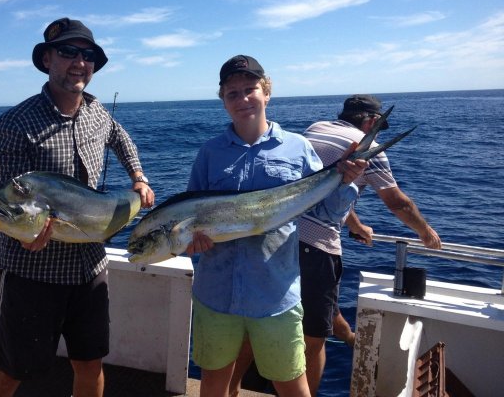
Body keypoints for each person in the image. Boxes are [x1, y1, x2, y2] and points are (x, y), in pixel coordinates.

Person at [0, 18, 155, 397]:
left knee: (90, 364)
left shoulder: (97, 113)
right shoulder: (13, 125)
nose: (79, 62)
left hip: (90, 266)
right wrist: (27, 238)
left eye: (88, 55)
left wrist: (138, 177)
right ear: (47, 59)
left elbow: (121, 140)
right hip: (32, 272)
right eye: (68, 52)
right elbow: (10, 205)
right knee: (11, 371)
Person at [229, 94, 443, 397]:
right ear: (370, 122)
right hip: (314, 247)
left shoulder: (316, 129)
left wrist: (354, 225)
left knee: (261, 321)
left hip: (277, 238)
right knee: (314, 339)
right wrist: (426, 232)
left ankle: (233, 389)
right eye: (380, 126)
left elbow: (327, 183)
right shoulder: (365, 148)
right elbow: (397, 202)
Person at [186, 55, 368, 397]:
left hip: (275, 296)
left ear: (266, 92)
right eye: (232, 93)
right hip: (215, 293)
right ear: (223, 101)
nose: (243, 99)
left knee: (291, 384)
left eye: (250, 89)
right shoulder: (210, 153)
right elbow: (191, 216)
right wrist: (190, 243)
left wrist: (346, 181)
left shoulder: (298, 148)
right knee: (213, 383)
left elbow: (328, 212)